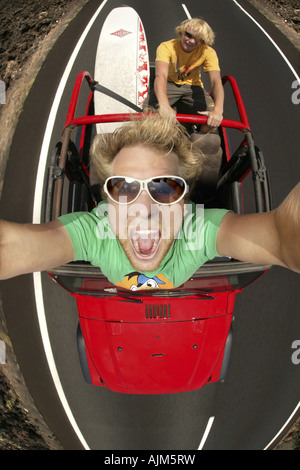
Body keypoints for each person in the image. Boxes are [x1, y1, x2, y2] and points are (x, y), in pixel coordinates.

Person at [0, 112, 299, 288]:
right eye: (124, 188)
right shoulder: (95, 232)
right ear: (108, 202)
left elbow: (280, 236)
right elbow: (11, 246)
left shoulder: (197, 230)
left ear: (184, 202)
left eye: (166, 187)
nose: (144, 209)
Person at [146, 18, 225, 133]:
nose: (192, 41)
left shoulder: (208, 52)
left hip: (193, 87)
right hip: (169, 84)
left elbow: (216, 82)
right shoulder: (166, 47)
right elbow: (161, 76)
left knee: (212, 122)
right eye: (189, 35)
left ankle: (194, 144)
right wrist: (164, 105)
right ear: (181, 32)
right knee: (148, 114)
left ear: (203, 42)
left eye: (198, 40)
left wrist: (218, 111)